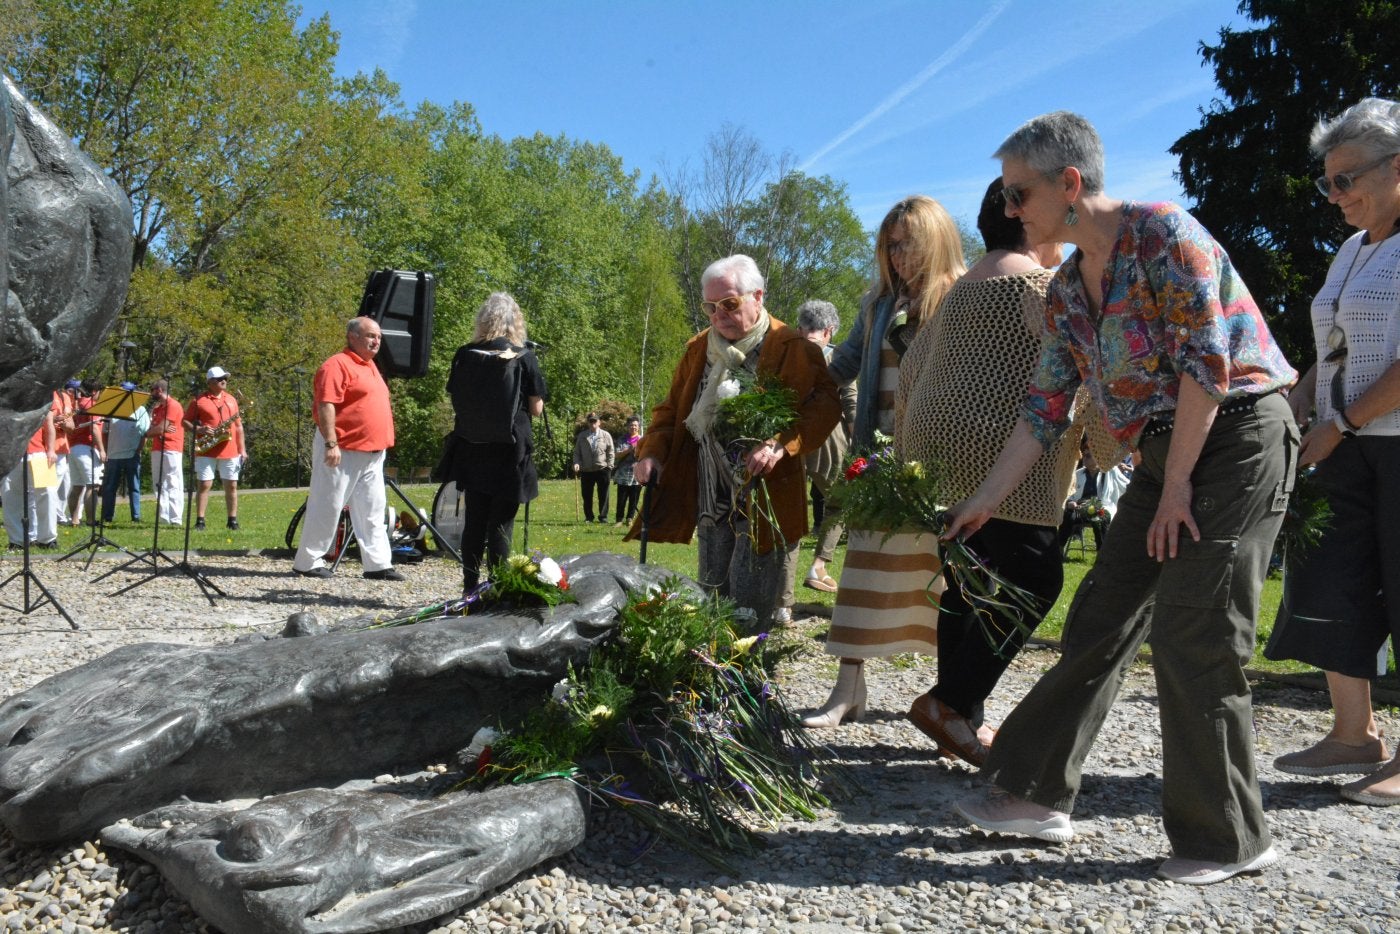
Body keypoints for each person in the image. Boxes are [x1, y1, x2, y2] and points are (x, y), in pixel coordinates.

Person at [946, 111, 1297, 885]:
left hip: (1239, 435)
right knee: (1103, 613)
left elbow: (1210, 365)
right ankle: (1038, 796)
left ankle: (1229, 839)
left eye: (1019, 192)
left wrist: (1174, 489)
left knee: (1196, 631)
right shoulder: (1069, 288)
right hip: (1169, 447)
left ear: (1071, 184)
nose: (1009, 209)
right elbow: (1043, 410)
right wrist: (984, 499)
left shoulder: (1165, 234)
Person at [896, 178, 1076, 765]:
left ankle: (961, 717)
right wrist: (1107, 445)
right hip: (1001, 458)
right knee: (1036, 577)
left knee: (969, 584)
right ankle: (947, 702)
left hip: (937, 456)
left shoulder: (958, 288)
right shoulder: (1041, 288)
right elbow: (1080, 374)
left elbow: (914, 367)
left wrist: (907, 453)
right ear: (1029, 215)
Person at [1264, 97, 1400, 807]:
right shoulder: (1352, 249)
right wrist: (1289, 407)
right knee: (1339, 580)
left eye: (1347, 179)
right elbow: (1334, 345)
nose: (1334, 195)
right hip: (1340, 438)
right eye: (1328, 183)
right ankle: (1354, 733)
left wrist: (1341, 421)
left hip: (1388, 438)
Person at [802, 196, 965, 727]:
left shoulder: (963, 296)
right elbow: (842, 365)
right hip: (879, 460)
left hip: (943, 466)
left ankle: (956, 704)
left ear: (936, 239)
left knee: (947, 583)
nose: (897, 255)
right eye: (890, 244)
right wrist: (785, 371)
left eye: (908, 242)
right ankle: (848, 691)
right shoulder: (877, 304)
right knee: (862, 575)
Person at [625, 254, 840, 632]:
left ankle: (748, 670)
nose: (718, 314)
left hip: (766, 495)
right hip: (711, 494)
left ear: (757, 296)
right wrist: (651, 454)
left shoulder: (793, 347)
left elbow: (824, 408)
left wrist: (779, 444)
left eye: (729, 303)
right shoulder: (698, 350)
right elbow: (669, 411)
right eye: (710, 306)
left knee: (749, 604)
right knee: (712, 593)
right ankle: (711, 669)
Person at [441, 292, 548, 593]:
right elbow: (537, 409)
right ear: (515, 322)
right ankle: (498, 587)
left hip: (472, 446)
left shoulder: (464, 354)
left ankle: (469, 586)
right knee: (501, 521)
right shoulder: (524, 356)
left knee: (474, 519)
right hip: (509, 450)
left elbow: (456, 398)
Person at [292, 317, 403, 581]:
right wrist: (331, 443)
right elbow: (326, 404)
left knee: (373, 509)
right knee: (328, 504)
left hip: (373, 453)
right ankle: (308, 560)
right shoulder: (336, 365)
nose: (376, 341)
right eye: (370, 336)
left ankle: (377, 564)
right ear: (352, 337)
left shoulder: (370, 366)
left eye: (378, 337)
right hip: (343, 449)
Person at [795, 299, 856, 596]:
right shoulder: (836, 356)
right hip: (829, 436)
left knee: (789, 508)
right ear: (830, 330)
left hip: (788, 436)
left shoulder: (786, 353)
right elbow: (851, 400)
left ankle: (781, 593)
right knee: (840, 503)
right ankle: (818, 566)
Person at [185, 366, 245, 531]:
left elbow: (239, 427)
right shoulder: (198, 401)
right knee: (204, 484)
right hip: (206, 450)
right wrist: (200, 430)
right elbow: (185, 422)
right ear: (210, 382)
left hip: (230, 450)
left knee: (231, 485)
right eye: (219, 379)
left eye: (225, 378)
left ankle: (232, 520)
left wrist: (243, 450)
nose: (224, 381)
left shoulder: (231, 399)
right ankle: (200, 520)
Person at [1, 391, 59, 549]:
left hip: (39, 453)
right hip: (11, 455)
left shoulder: (43, 395)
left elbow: (49, 424)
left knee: (47, 494)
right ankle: (17, 540)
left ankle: (47, 539)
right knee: (10, 495)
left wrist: (51, 450)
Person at [1058, 441, 1132, 552]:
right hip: (1080, 508)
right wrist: (1069, 503)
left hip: (1101, 508)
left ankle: (1101, 553)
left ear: (1098, 457)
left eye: (1088, 456)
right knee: (1068, 515)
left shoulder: (1111, 471)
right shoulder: (1078, 474)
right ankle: (1057, 549)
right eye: (1084, 455)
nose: (1084, 459)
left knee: (1100, 518)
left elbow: (1127, 486)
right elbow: (1065, 494)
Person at [99, 381, 150, 524]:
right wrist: (106, 450)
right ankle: (107, 516)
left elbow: (145, 432)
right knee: (109, 488)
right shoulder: (112, 409)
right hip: (113, 455)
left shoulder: (140, 410)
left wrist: (138, 450)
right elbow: (104, 432)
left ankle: (136, 516)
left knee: (134, 487)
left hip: (131, 454)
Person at [65, 379, 105, 526]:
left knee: (77, 486)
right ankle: (90, 520)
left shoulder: (75, 404)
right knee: (92, 485)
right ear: (94, 391)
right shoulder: (91, 404)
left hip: (73, 448)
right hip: (86, 447)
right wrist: (101, 450)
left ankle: (74, 520)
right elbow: (94, 428)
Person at [145, 379, 185, 526]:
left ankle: (175, 518)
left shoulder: (173, 405)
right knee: (158, 483)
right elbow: (156, 427)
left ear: (159, 390)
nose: (151, 393)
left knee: (173, 482)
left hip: (171, 447)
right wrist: (154, 430)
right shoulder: (157, 409)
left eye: (152, 390)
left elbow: (160, 429)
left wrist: (148, 433)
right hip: (157, 447)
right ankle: (163, 516)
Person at [572, 412, 614, 523]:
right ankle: (589, 517)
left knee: (603, 495)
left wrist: (610, 466)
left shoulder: (606, 435)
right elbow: (577, 452)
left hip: (602, 469)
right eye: (590, 421)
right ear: (588, 423)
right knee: (586, 495)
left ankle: (603, 517)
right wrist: (576, 463)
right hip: (586, 470)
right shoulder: (582, 436)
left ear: (599, 422)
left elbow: (611, 452)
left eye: (595, 421)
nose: (593, 423)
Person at [612, 416, 644, 526]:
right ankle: (619, 519)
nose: (633, 427)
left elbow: (645, 456)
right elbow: (617, 455)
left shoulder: (643, 440)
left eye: (635, 425)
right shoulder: (622, 439)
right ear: (627, 426)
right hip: (623, 473)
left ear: (638, 427)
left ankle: (630, 518)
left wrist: (638, 452)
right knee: (622, 497)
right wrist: (629, 449)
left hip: (637, 473)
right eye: (631, 425)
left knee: (634, 497)